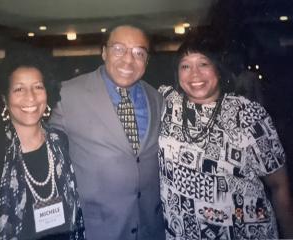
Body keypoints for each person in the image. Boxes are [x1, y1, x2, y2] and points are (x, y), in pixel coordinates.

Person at [158, 38, 293, 239]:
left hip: (243, 232)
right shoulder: (167, 102)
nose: (195, 73)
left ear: (218, 69)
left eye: (204, 64)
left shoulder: (247, 113)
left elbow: (279, 185)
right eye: (185, 66)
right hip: (183, 233)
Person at [0, 56, 85, 240]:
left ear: (48, 93)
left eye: (38, 87)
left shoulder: (60, 142)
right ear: (5, 98)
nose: (31, 97)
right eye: (19, 89)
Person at [49, 24, 165, 240]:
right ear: (103, 52)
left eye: (139, 53)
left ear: (147, 60)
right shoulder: (67, 95)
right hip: (98, 231)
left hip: (151, 229)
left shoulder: (157, 99)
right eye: (119, 49)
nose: (128, 60)